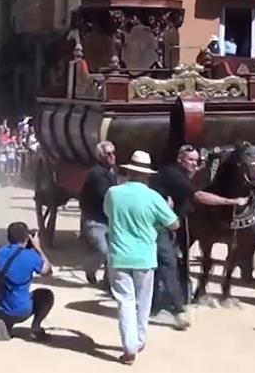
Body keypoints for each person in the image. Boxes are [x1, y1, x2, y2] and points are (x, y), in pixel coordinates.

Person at [103, 150, 180, 365]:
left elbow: (109, 214)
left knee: (124, 302)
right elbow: (174, 224)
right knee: (142, 302)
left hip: (119, 254)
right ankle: (139, 339)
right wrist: (165, 212)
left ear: (128, 172)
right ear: (147, 175)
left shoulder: (113, 193)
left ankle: (130, 347)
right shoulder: (153, 197)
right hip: (145, 256)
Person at [147, 145, 197, 329]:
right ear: (180, 159)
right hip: (158, 224)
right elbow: (196, 195)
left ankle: (154, 304)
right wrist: (229, 201)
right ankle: (178, 310)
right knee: (168, 263)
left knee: (161, 265)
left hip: (164, 224)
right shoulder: (175, 175)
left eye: (196, 160)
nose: (194, 164)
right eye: (190, 160)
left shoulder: (181, 175)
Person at [0, 221, 55, 342]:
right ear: (27, 238)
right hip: (23, 310)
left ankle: (0, 322)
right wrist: (38, 248)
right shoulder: (31, 256)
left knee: (2, 303)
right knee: (46, 295)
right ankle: (36, 327)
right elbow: (48, 272)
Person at [79, 140, 117, 286]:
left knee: (113, 253)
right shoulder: (97, 174)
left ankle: (108, 282)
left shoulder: (110, 172)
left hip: (108, 218)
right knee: (103, 251)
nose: (112, 156)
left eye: (113, 153)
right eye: (108, 154)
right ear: (100, 156)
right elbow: (106, 195)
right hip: (95, 219)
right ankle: (90, 269)